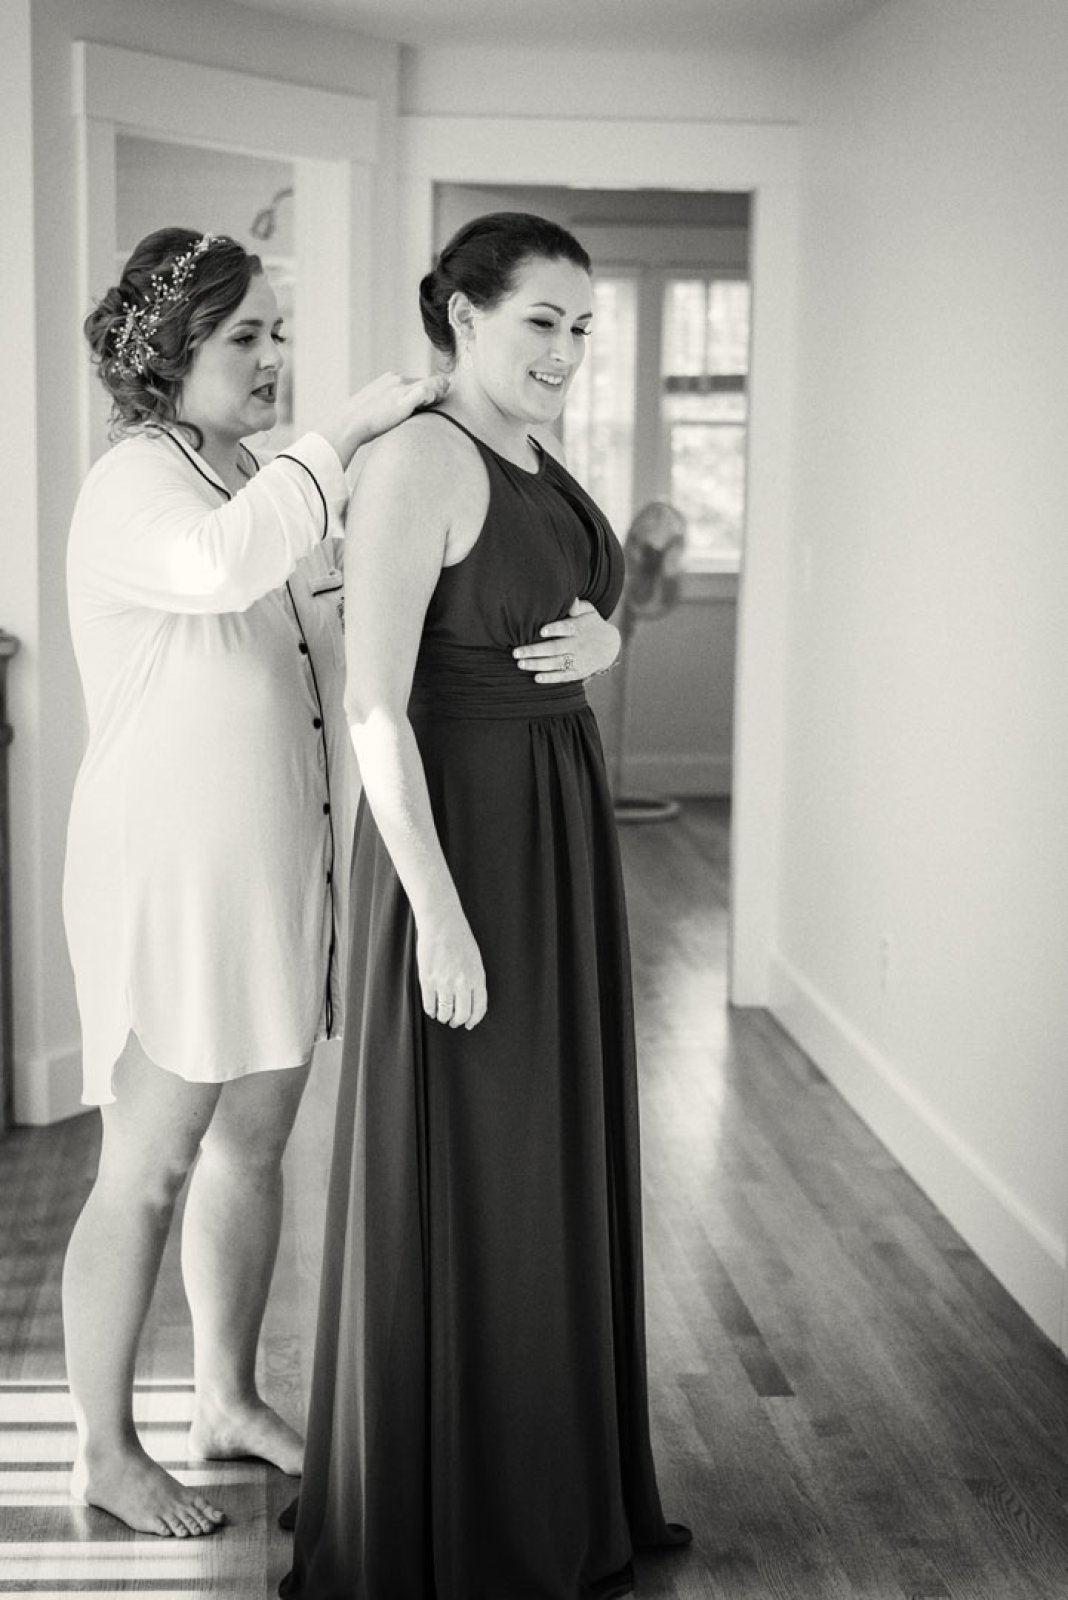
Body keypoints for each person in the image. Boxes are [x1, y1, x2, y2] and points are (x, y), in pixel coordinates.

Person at [62, 226, 619, 1544]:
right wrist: (353, 431)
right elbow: (222, 569)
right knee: (148, 1166)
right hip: (172, 880)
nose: (272, 357)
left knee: (251, 1152)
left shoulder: (257, 476)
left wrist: (586, 633)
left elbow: (345, 638)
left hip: (283, 869)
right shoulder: (134, 485)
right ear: (171, 352)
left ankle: (226, 1399)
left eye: (277, 332)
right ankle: (103, 1450)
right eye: (244, 336)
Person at [283, 212, 689, 1599]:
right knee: (476, 1168)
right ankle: (454, 1514)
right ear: (462, 315)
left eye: (583, 327)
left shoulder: (528, 451)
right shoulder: (419, 460)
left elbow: (567, 601)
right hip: (458, 848)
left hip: (555, 836)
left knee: (545, 1161)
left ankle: (543, 1484)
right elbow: (375, 708)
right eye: (541, 322)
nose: (568, 351)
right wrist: (439, 916)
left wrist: (607, 638)